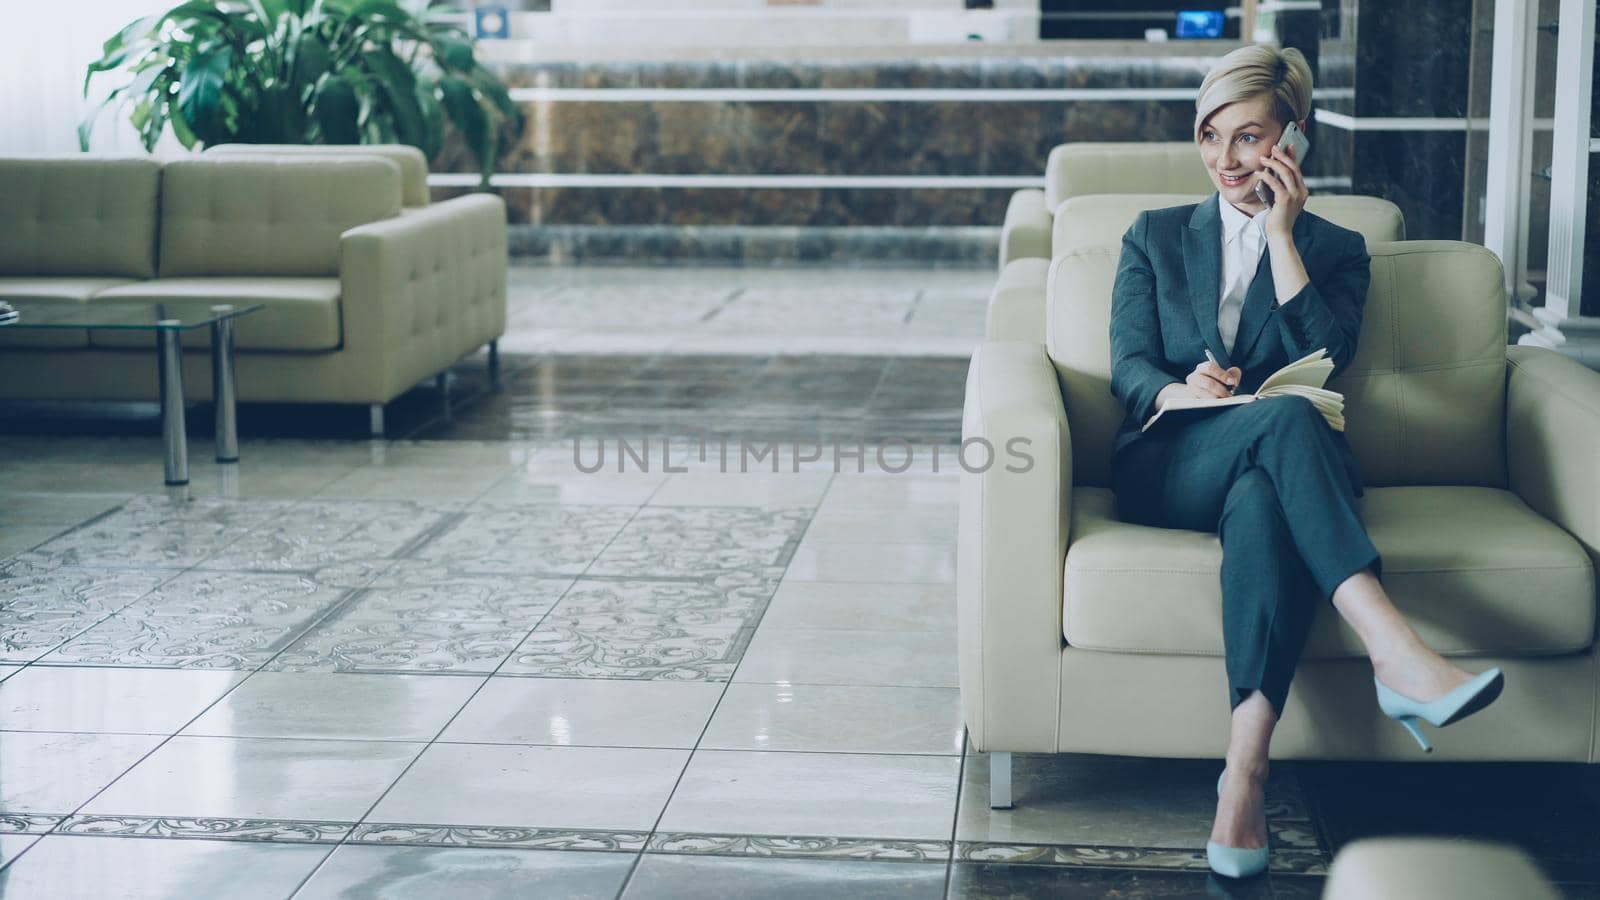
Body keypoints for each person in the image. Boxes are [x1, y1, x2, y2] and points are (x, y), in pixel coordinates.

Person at [1106, 44, 1505, 880]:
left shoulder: (1334, 248)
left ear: (1293, 140)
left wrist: (1281, 237)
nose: (1224, 159)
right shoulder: (1152, 236)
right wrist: (1181, 391)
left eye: (1249, 137)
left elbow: (1325, 355)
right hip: (1173, 456)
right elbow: (1128, 364)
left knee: (1264, 492)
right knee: (1279, 425)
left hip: (1277, 463)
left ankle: (1242, 779)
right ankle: (1396, 650)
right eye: (1209, 135)